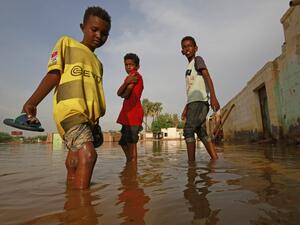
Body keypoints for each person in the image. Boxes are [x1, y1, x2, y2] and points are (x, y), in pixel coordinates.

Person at [22, 6, 111, 189]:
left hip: (89, 118)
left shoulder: (98, 63)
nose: (98, 36)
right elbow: (54, 74)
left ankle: (70, 195)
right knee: (89, 155)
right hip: (69, 111)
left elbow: (94, 92)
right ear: (82, 27)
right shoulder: (66, 43)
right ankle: (81, 208)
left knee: (75, 159)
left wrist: (97, 121)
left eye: (104, 33)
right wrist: (32, 102)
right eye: (94, 29)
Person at [180, 36, 220, 161]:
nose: (187, 49)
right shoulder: (188, 68)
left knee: (188, 129)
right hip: (193, 103)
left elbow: (207, 77)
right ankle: (215, 159)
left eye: (190, 46)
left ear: (196, 48)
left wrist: (213, 97)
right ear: (182, 51)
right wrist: (186, 107)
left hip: (200, 102)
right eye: (184, 47)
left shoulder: (198, 60)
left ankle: (191, 165)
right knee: (200, 131)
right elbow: (191, 90)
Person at [116, 53, 144, 162]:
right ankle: (130, 165)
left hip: (134, 113)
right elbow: (119, 93)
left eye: (131, 64)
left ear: (137, 66)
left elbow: (125, 94)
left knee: (132, 144)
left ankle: (132, 168)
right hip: (127, 114)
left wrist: (125, 88)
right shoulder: (128, 78)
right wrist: (126, 83)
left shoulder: (135, 75)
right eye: (126, 64)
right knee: (123, 142)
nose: (128, 67)